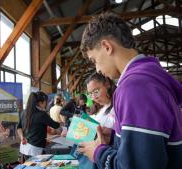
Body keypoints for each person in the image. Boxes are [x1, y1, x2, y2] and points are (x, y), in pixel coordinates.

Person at [78, 12, 182, 169]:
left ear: (107, 47)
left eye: (94, 61)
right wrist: (115, 137)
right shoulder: (150, 78)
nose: (97, 69)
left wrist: (98, 153)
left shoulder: (135, 87)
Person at [17, 91, 60, 161]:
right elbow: (56, 125)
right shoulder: (42, 114)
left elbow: (19, 127)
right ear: (41, 103)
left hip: (24, 147)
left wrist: (22, 137)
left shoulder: (24, 112)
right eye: (45, 102)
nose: (46, 104)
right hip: (35, 149)